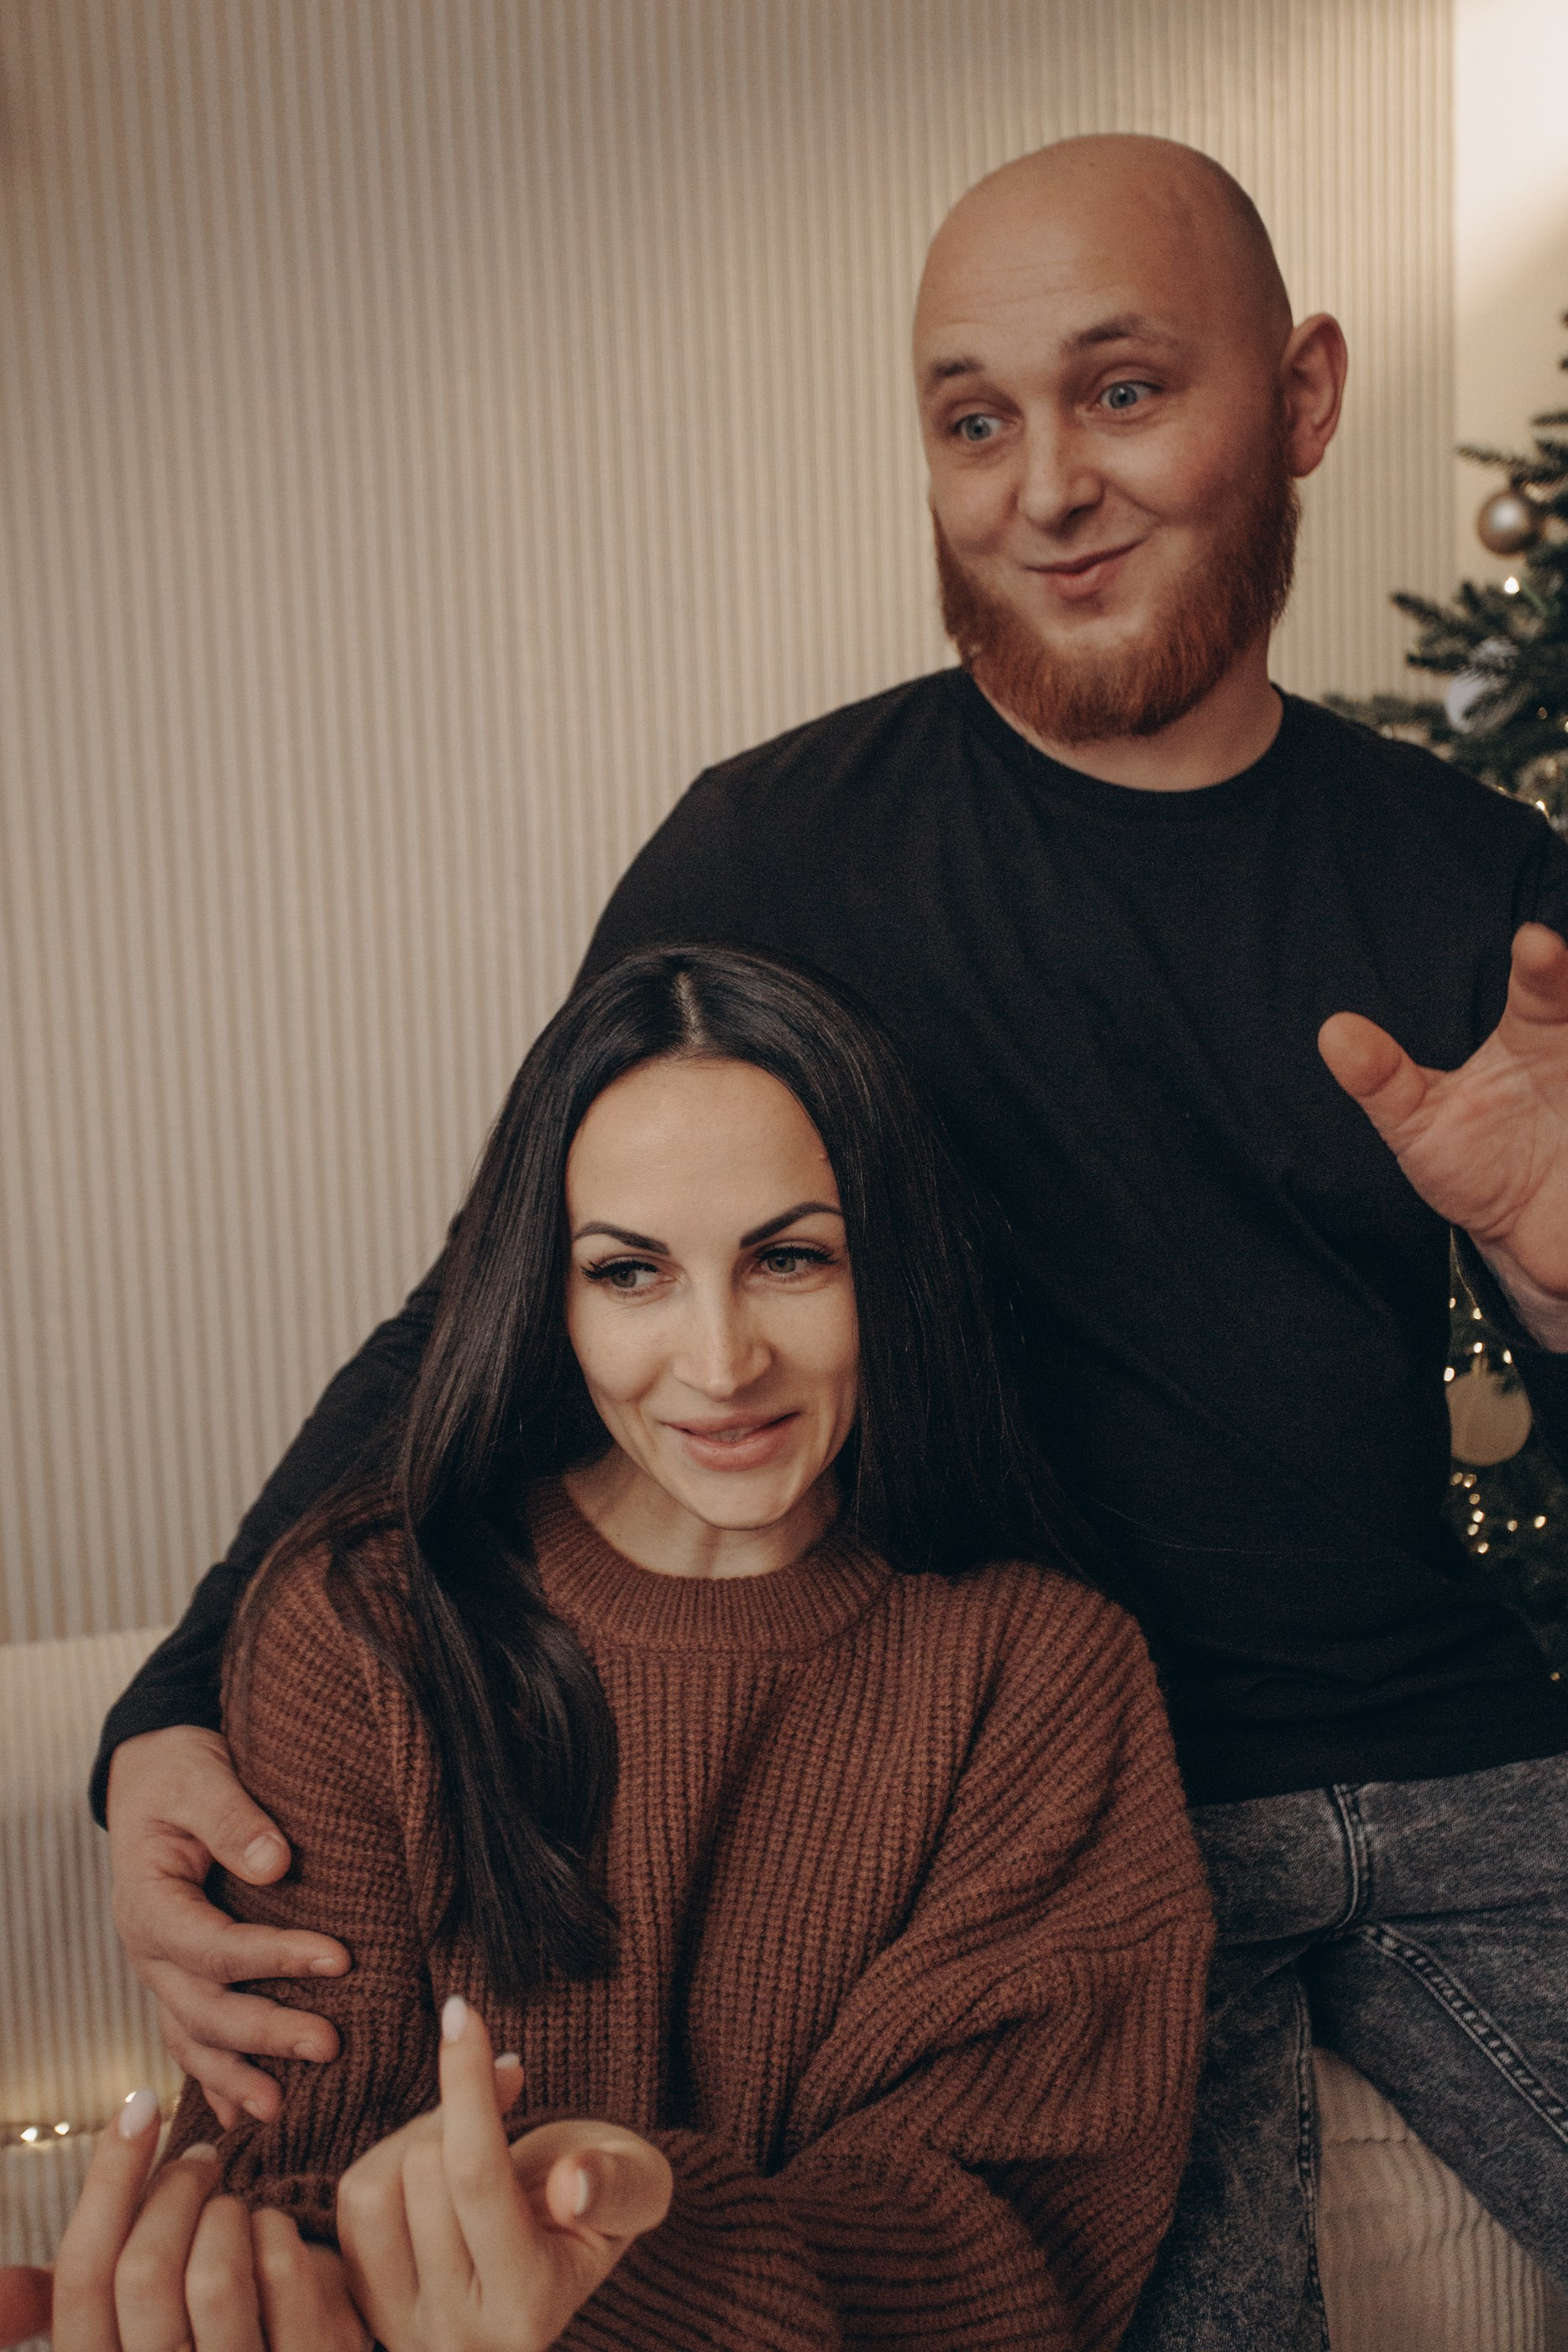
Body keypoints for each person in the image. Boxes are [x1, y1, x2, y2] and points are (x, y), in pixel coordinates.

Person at [94, 132, 1568, 2344]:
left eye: (1123, 391)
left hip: (1472, 1767)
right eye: (973, 420)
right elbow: (493, 1296)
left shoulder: (1474, 871)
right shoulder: (776, 851)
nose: (1045, 486)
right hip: (1098, 1814)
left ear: (1301, 398)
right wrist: (175, 1695)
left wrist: (1554, 1280)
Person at [18, 943, 1211, 2352]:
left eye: (790, 1259)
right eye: (631, 1272)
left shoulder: (1043, 1672)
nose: (720, 1363)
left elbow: (1008, 2248)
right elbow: (292, 2168)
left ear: (894, 1265)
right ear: (552, 1295)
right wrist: (300, 2289)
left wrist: (626, 2255)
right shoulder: (362, 1624)